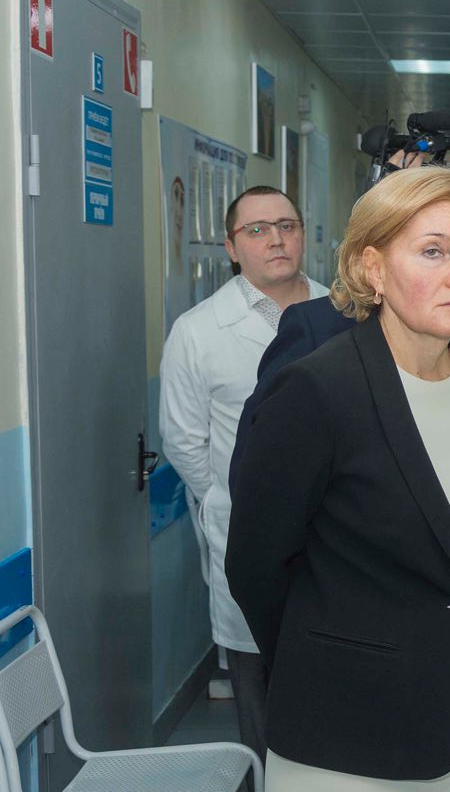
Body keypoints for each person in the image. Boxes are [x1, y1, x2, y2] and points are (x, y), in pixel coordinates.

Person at [229, 185, 450, 792]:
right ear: (373, 268)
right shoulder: (317, 389)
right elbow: (256, 567)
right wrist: (332, 659)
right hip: (347, 735)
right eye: (433, 251)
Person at [158, 186, 326, 765]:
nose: (276, 239)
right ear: (231, 248)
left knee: (334, 685)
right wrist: (227, 502)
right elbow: (184, 441)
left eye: (286, 225)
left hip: (337, 532)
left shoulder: (347, 312)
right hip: (247, 534)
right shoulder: (199, 330)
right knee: (258, 692)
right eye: (256, 230)